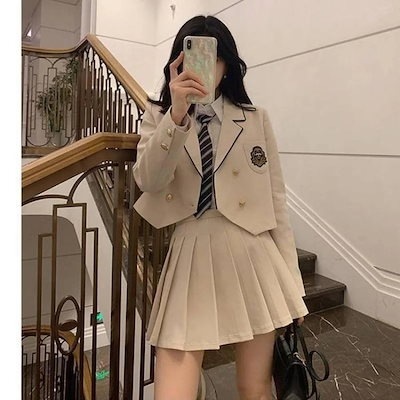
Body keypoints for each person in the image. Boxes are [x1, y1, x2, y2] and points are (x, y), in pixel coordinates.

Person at [132, 15, 309, 400]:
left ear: (226, 64)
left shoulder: (255, 119)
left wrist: (293, 287)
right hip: (191, 252)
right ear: (177, 63)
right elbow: (148, 180)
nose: (204, 67)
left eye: (213, 57)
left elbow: (277, 204)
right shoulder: (159, 116)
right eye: (193, 55)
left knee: (254, 389)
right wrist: (177, 116)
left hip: (254, 255)